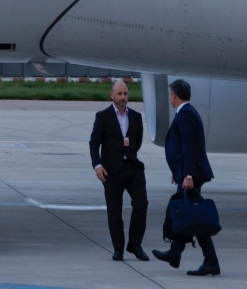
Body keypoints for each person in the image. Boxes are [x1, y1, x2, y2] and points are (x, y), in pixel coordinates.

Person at [153, 79, 220, 276]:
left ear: (174, 95)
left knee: (192, 216)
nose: (169, 97)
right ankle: (178, 253)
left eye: (169, 94)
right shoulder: (187, 113)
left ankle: (206, 260)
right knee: (189, 214)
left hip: (194, 174)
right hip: (188, 173)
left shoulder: (186, 114)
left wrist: (188, 174)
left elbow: (189, 147)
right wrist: (180, 173)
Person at [89, 80, 148, 262]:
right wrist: (98, 165)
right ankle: (118, 248)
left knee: (141, 204)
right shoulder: (103, 117)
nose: (123, 97)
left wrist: (128, 155)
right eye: (120, 94)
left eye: (125, 94)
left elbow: (136, 142)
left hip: (132, 168)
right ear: (112, 95)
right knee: (115, 211)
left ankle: (135, 244)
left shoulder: (136, 117)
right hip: (111, 171)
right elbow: (94, 143)